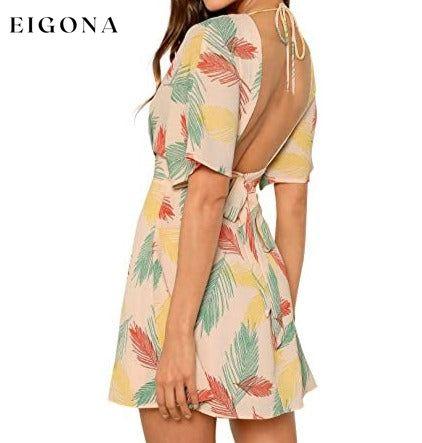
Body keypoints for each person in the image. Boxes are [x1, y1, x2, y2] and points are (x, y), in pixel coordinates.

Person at [109, 1, 317, 441]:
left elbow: (207, 195)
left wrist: (178, 334)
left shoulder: (215, 38)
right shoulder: (298, 54)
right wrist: (279, 323)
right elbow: (294, 202)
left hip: (177, 286)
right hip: (256, 288)